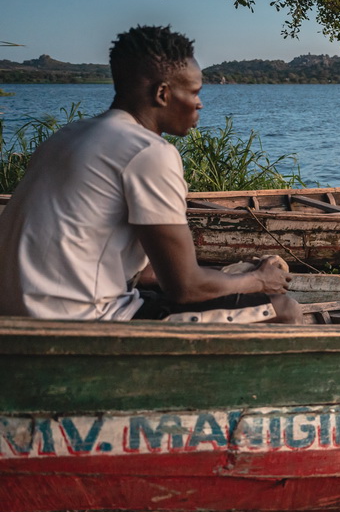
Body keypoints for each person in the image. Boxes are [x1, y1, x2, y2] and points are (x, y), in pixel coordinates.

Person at [0, 25, 303, 324]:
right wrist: (259, 281)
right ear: (162, 93)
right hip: (80, 322)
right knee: (285, 309)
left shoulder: (66, 137)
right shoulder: (148, 152)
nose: (200, 104)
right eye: (194, 92)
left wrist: (228, 276)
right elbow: (185, 288)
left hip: (18, 314)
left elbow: (142, 273)